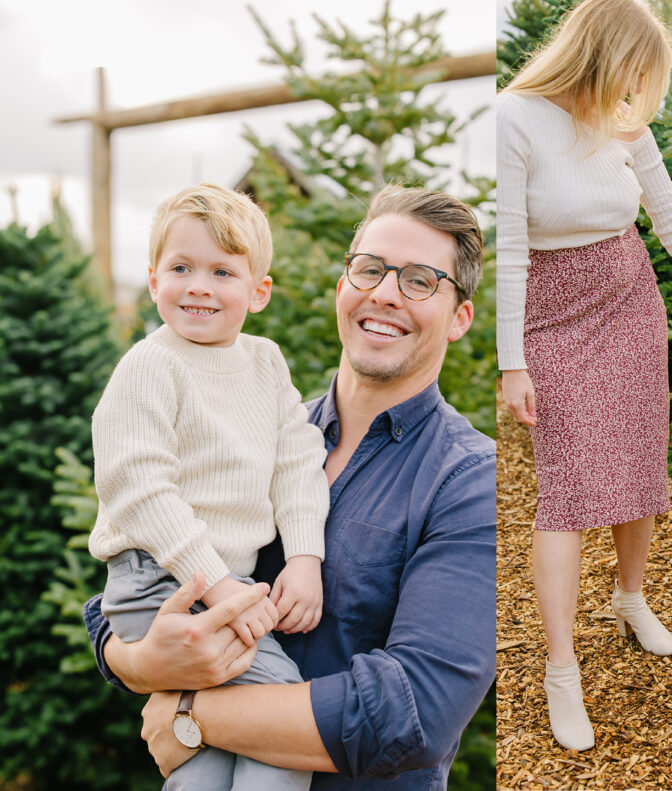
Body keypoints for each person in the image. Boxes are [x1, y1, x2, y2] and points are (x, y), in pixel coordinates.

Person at [83, 185, 497, 789]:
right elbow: (120, 592)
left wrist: (189, 713)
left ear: (460, 317)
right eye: (370, 270)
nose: (384, 293)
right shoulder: (263, 431)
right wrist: (142, 661)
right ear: (342, 289)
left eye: (420, 281)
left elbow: (413, 714)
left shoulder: (469, 482)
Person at [497, 0, 672, 751]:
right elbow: (506, 245)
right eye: (636, 75)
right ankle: (561, 668)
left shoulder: (625, 124)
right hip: (552, 314)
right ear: (604, 57)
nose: (640, 93)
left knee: (639, 459)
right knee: (565, 490)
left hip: (631, 300)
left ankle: (630, 597)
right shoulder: (514, 118)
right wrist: (513, 362)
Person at [89, 183, 329, 790]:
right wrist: (218, 585)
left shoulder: (265, 361)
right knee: (283, 724)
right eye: (181, 267)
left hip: (225, 584)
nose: (198, 284)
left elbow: (297, 460)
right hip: (159, 582)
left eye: (222, 271)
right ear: (152, 281)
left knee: (212, 753)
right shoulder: (151, 365)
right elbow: (139, 487)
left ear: (259, 291)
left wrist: (304, 557)